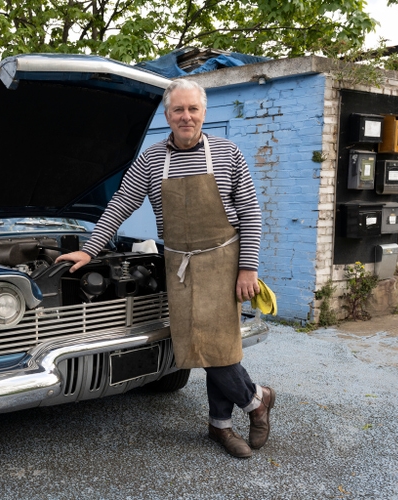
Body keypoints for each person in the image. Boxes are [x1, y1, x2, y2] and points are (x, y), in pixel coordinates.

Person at [56, 79, 275, 458]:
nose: (186, 116)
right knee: (195, 347)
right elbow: (122, 202)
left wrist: (248, 269)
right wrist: (90, 250)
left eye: (193, 109)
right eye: (178, 110)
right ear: (168, 114)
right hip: (179, 265)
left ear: (203, 113)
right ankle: (257, 399)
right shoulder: (152, 159)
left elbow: (252, 215)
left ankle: (224, 424)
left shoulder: (228, 153)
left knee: (220, 348)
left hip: (224, 261)